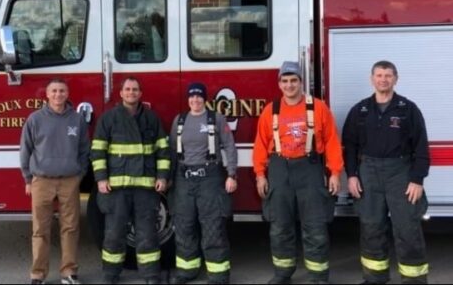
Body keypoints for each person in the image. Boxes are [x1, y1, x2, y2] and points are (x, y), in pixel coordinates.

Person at [252, 61, 343, 285]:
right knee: (280, 226)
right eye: (285, 81)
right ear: (279, 84)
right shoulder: (270, 110)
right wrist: (260, 174)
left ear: (302, 82)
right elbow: (260, 145)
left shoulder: (318, 108)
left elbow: (332, 141)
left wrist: (334, 173)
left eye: (294, 80)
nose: (289, 85)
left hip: (309, 168)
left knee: (315, 225)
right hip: (279, 170)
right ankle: (283, 273)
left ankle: (318, 276)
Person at [342, 60, 430, 284]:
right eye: (379, 75)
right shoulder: (360, 110)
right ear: (372, 79)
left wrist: (417, 179)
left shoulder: (408, 109)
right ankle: (375, 278)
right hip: (368, 173)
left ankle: (414, 281)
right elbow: (349, 146)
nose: (383, 79)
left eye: (388, 75)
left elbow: (421, 146)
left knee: (407, 228)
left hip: (400, 173)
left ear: (396, 79)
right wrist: (351, 175)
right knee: (371, 227)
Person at [90, 76, 170, 284]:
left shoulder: (151, 118)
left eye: (135, 90)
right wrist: (100, 179)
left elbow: (163, 149)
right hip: (117, 188)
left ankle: (151, 275)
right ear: (121, 93)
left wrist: (162, 177)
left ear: (140, 94)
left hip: (145, 188)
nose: (131, 93)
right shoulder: (109, 119)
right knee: (114, 234)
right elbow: (98, 150)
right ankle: (110, 274)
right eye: (127, 89)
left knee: (147, 235)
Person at [20, 78, 90, 285]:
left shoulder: (77, 120)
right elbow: (26, 150)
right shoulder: (35, 119)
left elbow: (85, 150)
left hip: (70, 180)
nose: (58, 94)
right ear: (47, 95)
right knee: (40, 229)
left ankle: (69, 272)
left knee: (70, 227)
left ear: (67, 94)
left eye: (62, 91)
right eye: (54, 91)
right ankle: (38, 274)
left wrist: (79, 174)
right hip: (41, 180)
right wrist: (27, 178)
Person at [168, 82, 238, 285]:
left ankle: (218, 275)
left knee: (212, 226)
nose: (195, 100)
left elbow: (230, 146)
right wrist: (169, 177)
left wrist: (231, 174)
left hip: (210, 178)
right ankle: (187, 271)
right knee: (184, 225)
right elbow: (172, 151)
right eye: (192, 96)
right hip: (184, 179)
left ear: (205, 99)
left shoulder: (216, 118)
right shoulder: (179, 120)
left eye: (199, 96)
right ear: (188, 99)